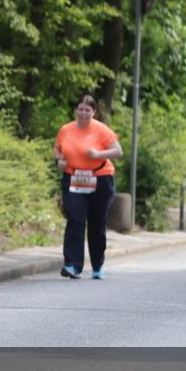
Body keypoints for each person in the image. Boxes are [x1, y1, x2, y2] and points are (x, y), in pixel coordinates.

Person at [53, 95, 123, 280]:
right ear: (76, 110)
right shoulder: (66, 130)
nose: (83, 113)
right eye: (80, 109)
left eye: (87, 110)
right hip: (74, 177)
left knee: (97, 223)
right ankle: (72, 265)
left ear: (94, 112)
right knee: (75, 219)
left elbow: (118, 151)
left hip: (100, 178)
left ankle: (97, 265)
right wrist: (59, 160)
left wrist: (99, 153)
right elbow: (57, 149)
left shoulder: (101, 130)